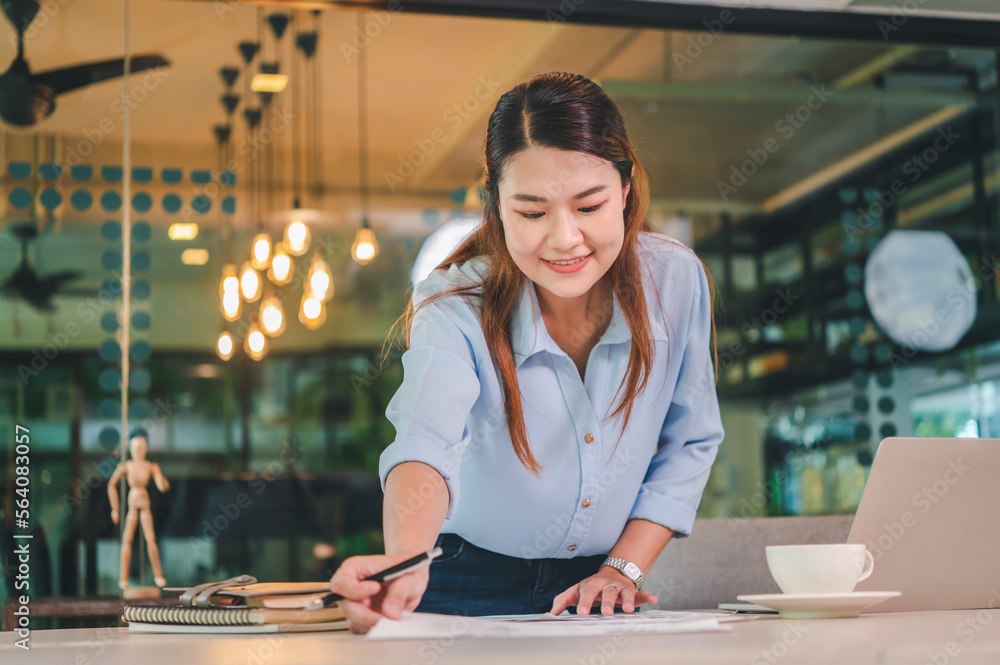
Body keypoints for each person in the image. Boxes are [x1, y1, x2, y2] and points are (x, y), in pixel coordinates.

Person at [329, 71, 723, 633]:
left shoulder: (675, 279)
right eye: (532, 213)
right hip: (465, 576)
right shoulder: (454, 303)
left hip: (601, 585)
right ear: (495, 205)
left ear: (626, 188)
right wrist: (405, 557)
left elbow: (691, 440)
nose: (564, 238)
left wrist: (622, 568)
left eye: (589, 206)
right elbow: (426, 440)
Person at [108, 429, 171, 589]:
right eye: (135, 448)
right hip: (133, 503)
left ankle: (158, 575)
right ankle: (123, 578)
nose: (138, 451)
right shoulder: (126, 466)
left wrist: (163, 484)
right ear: (130, 449)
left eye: (141, 448)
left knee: (151, 540)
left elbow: (160, 484)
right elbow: (111, 486)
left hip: (145, 503)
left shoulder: (151, 466)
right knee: (127, 540)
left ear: (146, 449)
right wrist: (114, 508)